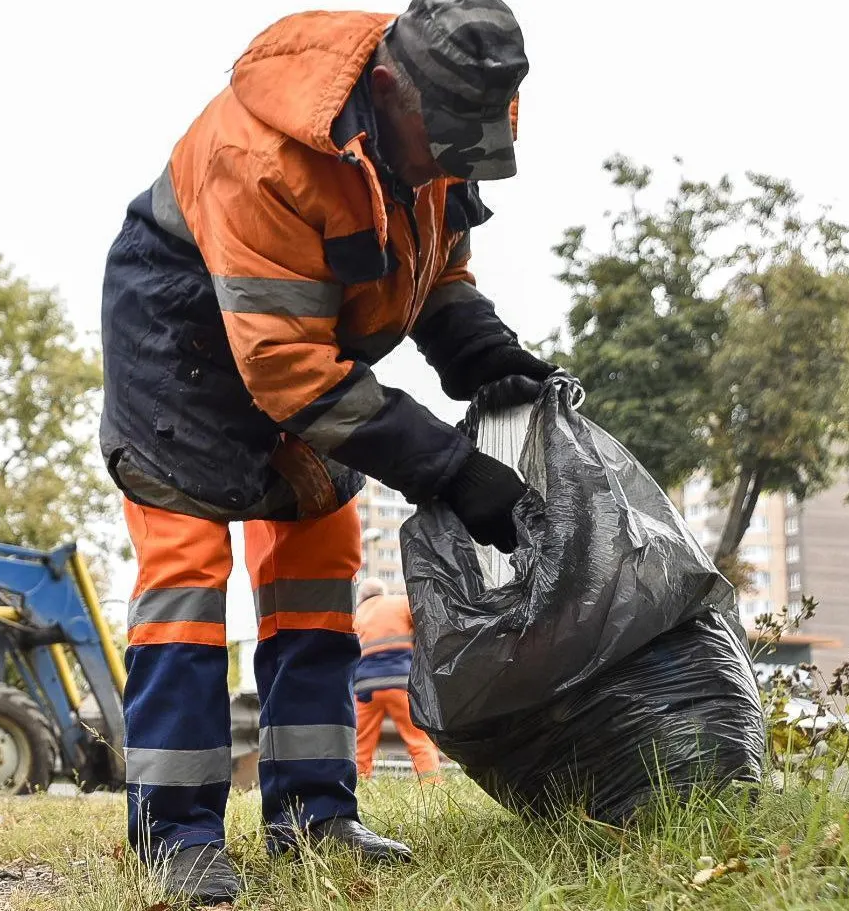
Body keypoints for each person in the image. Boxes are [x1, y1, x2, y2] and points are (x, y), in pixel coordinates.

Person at [100, 0, 557, 902]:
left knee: (318, 573)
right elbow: (290, 370)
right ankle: (177, 833)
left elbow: (432, 262)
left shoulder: (440, 122)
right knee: (188, 583)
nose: (454, 167)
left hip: (300, 346)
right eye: (446, 149)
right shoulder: (261, 158)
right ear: (391, 92)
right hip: (181, 353)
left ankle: (316, 815)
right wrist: (454, 473)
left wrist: (481, 353)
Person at [353, 579, 441, 782]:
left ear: (362, 598)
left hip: (366, 688)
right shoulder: (399, 603)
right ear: (383, 593)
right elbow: (423, 625)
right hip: (400, 683)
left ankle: (358, 787)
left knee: (360, 745)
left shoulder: (357, 615)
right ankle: (432, 786)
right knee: (419, 738)